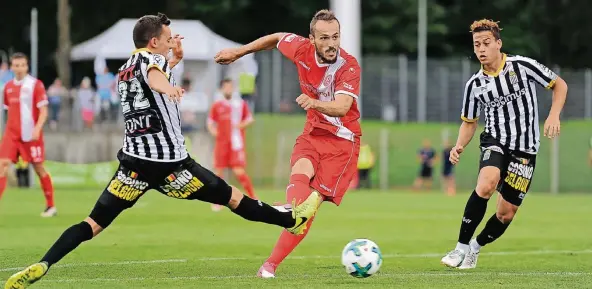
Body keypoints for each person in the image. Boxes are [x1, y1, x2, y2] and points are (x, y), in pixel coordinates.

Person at [4, 13, 321, 289]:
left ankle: (45, 263)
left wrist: (175, 62)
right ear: (153, 41)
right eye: (168, 39)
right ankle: (290, 220)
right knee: (233, 198)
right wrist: (168, 85)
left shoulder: (126, 67)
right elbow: (154, 78)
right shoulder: (151, 62)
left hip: (133, 167)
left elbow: (149, 79)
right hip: (172, 166)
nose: (172, 42)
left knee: (92, 224)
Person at [215, 9, 361, 278]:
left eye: (336, 37)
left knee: (308, 211)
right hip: (313, 133)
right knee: (299, 181)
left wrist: (314, 102)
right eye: (324, 38)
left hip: (342, 144)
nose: (331, 44)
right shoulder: (301, 49)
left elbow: (342, 107)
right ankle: (289, 211)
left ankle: (271, 262)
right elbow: (276, 37)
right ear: (312, 39)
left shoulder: (348, 66)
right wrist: (239, 53)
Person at [440, 19, 568, 269]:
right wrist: (458, 147)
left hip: (525, 149)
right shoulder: (474, 85)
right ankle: (459, 248)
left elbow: (559, 85)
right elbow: (469, 122)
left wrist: (554, 115)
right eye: (477, 44)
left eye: (486, 43)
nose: (481, 49)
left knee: (505, 214)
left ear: (498, 44)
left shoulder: (522, 66)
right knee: (486, 184)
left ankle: (474, 249)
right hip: (495, 141)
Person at [0, 52, 56, 218]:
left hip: (30, 135)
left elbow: (43, 110)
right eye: (16, 65)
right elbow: (8, 111)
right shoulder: (7, 87)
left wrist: (37, 128)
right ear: (12, 67)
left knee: (38, 168)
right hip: (12, 134)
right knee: (2, 165)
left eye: (22, 65)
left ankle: (51, 206)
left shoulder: (35, 85)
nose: (19, 68)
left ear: (27, 66)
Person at [207, 78, 257, 212]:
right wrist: (214, 132)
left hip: (236, 143)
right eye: (226, 87)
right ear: (222, 89)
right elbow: (210, 121)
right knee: (219, 172)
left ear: (233, 88)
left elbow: (250, 119)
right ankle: (217, 201)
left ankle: (253, 197)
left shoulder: (240, 104)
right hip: (221, 143)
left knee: (238, 171)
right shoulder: (217, 105)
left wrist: (240, 125)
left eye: (230, 87)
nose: (228, 89)